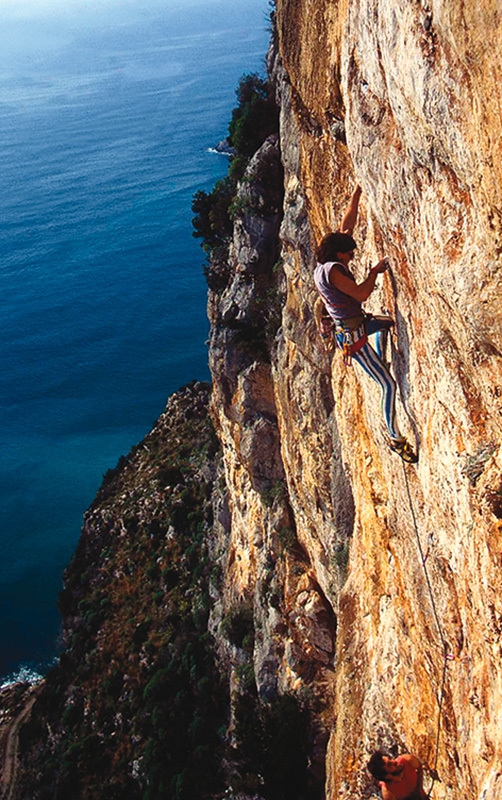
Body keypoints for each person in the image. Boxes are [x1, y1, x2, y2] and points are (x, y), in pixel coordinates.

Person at [313, 186, 417, 463]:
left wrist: (357, 193)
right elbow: (360, 294)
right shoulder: (333, 271)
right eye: (349, 255)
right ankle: (395, 437)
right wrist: (373, 272)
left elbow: (347, 226)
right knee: (389, 386)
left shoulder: (328, 260)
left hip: (356, 324)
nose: (352, 258)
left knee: (386, 324)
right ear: (338, 254)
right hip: (353, 337)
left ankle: (381, 360)